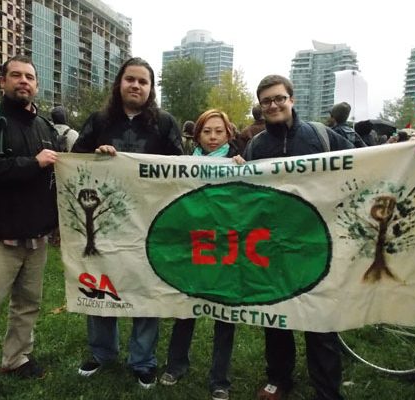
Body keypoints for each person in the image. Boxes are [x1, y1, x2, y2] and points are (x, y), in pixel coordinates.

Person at [72, 57, 183, 389]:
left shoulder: (165, 124)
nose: (136, 85)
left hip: (149, 222)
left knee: (145, 288)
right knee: (100, 284)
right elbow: (74, 160)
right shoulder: (99, 121)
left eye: (143, 81)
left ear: (151, 88)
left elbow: (180, 169)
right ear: (119, 83)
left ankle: (143, 360)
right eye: (130, 79)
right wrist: (96, 155)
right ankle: (102, 352)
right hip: (103, 221)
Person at [243, 75, 355, 400]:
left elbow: (365, 161)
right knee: (276, 317)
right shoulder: (255, 146)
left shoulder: (321, 135)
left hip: (317, 242)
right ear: (261, 106)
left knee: (320, 321)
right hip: (273, 244)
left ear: (291, 99)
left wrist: (406, 150)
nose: (273, 105)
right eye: (266, 101)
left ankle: (327, 391)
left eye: (279, 98)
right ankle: (279, 378)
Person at [0, 55, 61, 400]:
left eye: (29, 77)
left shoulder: (45, 127)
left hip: (36, 234)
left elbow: (59, 176)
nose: (23, 81)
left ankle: (17, 358)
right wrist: (32, 163)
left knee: (28, 304)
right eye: (16, 75)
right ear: (2, 81)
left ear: (37, 85)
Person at [160, 109, 243, 400]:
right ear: (197, 135)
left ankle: (220, 378)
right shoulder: (185, 163)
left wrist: (245, 170)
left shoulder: (240, 163)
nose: (213, 137)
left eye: (219, 131)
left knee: (225, 316)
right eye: (207, 131)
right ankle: (176, 365)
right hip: (193, 247)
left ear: (228, 134)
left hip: (226, 249)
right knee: (186, 309)